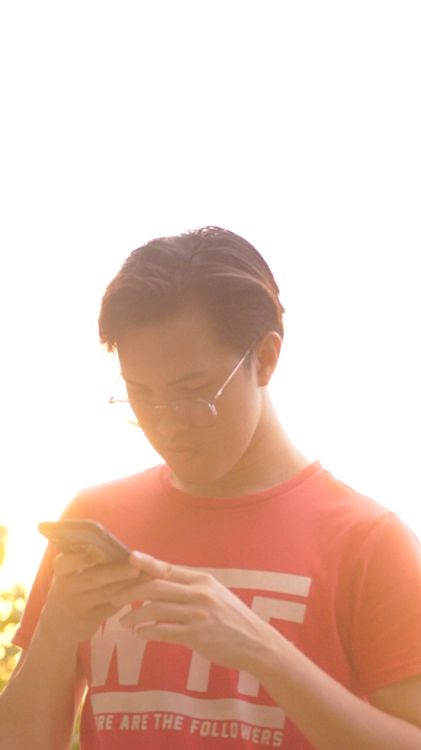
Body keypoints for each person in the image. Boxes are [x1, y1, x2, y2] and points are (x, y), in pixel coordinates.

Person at [1, 226, 421, 750]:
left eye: (194, 393)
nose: (166, 425)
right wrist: (55, 635)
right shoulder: (97, 515)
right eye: (140, 394)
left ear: (265, 359)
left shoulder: (368, 542)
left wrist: (265, 652)